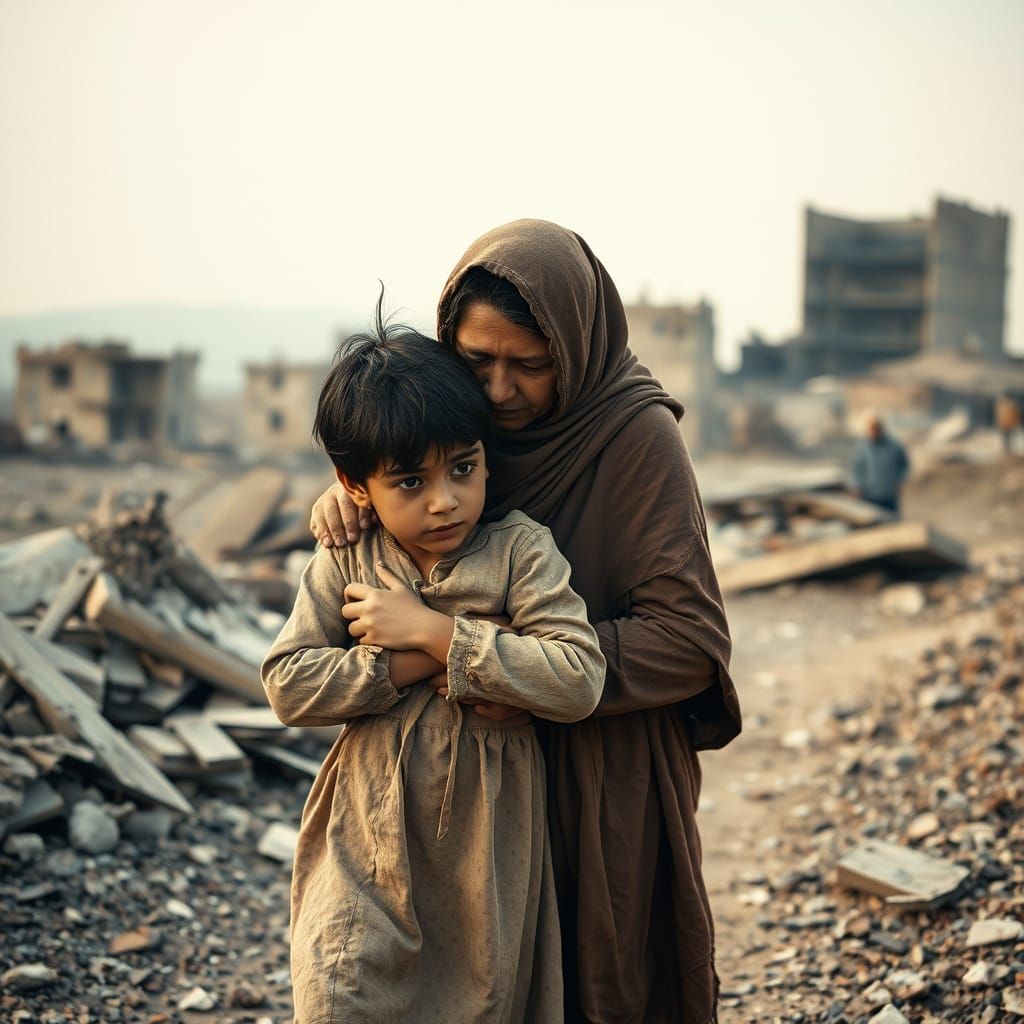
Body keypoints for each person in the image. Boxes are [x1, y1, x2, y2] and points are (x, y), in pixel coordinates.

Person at [310, 219, 742, 1023]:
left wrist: (506, 664)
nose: (502, 390)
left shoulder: (633, 438)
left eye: (531, 366)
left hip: (598, 769)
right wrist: (353, 496)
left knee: (596, 986)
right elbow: (402, 464)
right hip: (468, 789)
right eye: (478, 362)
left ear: (575, 350)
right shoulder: (468, 439)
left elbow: (689, 640)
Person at [262, 307, 606, 1023]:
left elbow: (577, 677)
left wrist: (438, 632)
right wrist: (412, 662)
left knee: (473, 999)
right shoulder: (349, 554)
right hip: (365, 826)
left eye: (464, 468)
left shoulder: (519, 551)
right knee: (338, 988)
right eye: (410, 483)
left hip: (484, 840)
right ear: (356, 486)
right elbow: (288, 683)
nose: (446, 500)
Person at [851, 410, 910, 516]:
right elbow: (856, 469)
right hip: (869, 496)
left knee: (891, 525)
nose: (875, 431)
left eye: (877, 427)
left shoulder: (894, 446)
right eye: (872, 428)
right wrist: (857, 486)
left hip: (889, 495)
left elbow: (904, 465)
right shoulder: (862, 448)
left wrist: (900, 480)